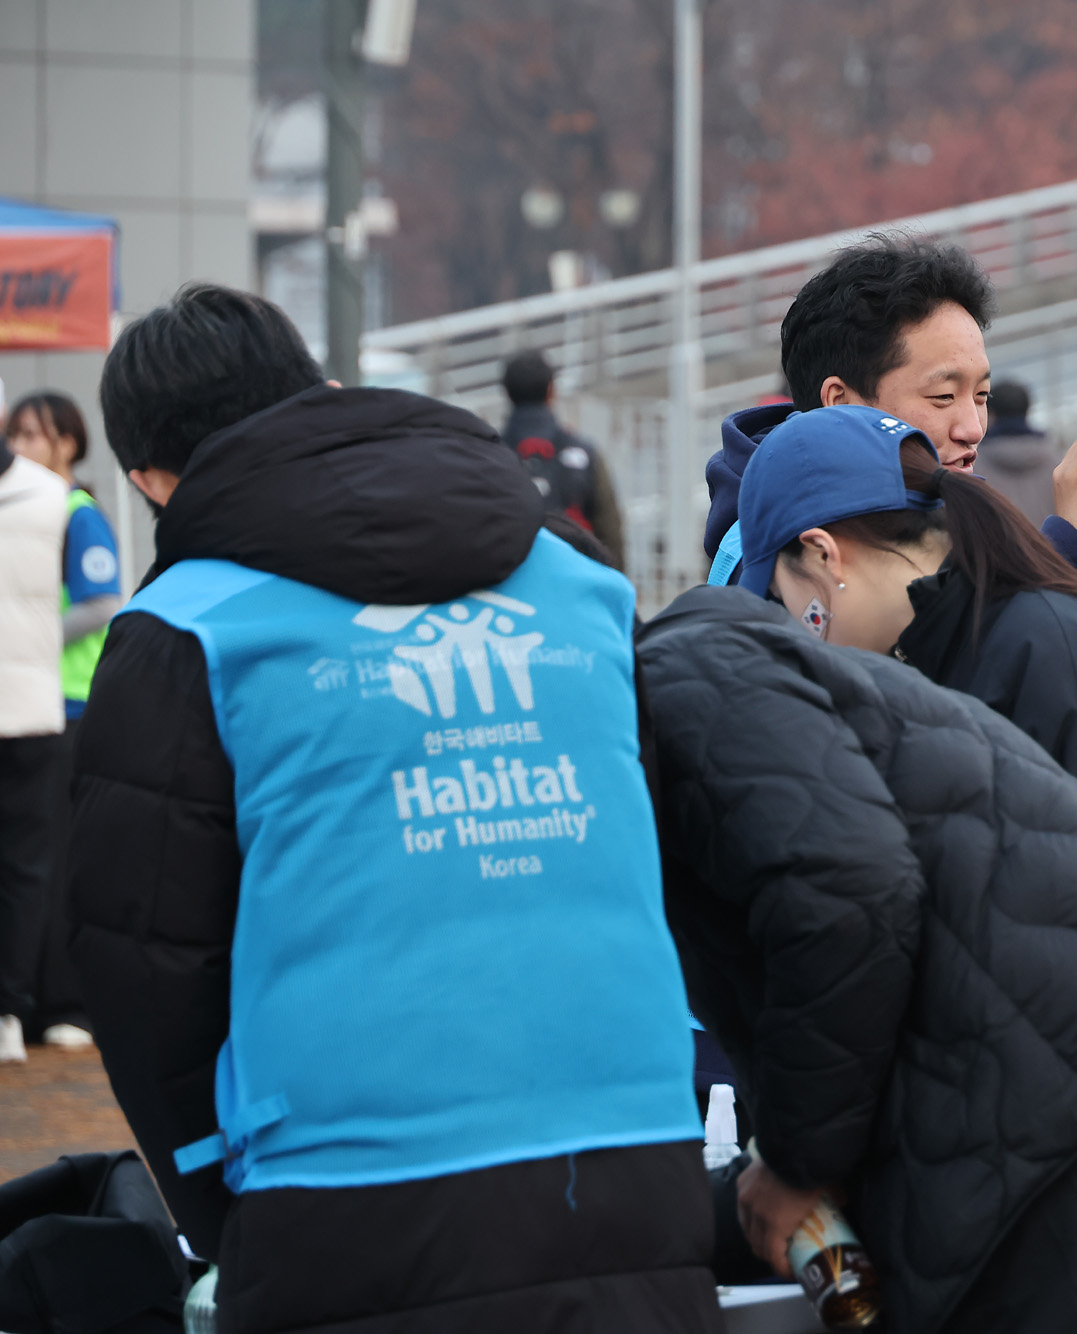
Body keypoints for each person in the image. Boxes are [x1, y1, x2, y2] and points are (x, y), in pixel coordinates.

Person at [72, 284, 722, 1333]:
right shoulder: (578, 576)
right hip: (633, 1164)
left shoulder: (183, 629)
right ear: (318, 390)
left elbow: (140, 958)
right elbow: (653, 844)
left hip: (346, 1194)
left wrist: (214, 1202)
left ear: (150, 477)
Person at [636, 584, 1077, 1333]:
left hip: (1074, 1110)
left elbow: (849, 895)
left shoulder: (679, 676)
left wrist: (794, 1162)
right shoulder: (771, 677)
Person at [735, 402, 1077, 926]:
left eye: (780, 593)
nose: (795, 623)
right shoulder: (942, 644)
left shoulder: (1040, 646)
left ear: (821, 555)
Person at [702, 234, 1077, 591]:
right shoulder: (779, 564)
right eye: (942, 396)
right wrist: (1069, 549)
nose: (973, 429)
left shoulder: (952, 515)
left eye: (982, 396)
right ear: (839, 402)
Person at [4, 391, 120, 1050]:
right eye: (15, 434)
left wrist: (29, 641)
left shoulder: (75, 512)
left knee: (54, 862)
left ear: (69, 442)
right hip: (27, 704)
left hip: (67, 703)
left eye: (34, 435)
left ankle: (67, 1003)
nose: (21, 447)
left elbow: (102, 601)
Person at [0, 429, 68, 1067]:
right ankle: (10, 1014)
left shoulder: (54, 498)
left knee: (24, 870)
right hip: (30, 705)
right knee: (24, 870)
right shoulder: (54, 496)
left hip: (31, 707)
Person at [500, 349, 627, 566]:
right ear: (551, 390)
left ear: (507, 393)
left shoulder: (491, 455)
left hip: (511, 584)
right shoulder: (584, 453)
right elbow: (610, 530)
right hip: (575, 578)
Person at [977, 381, 1059, 525]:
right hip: (1049, 546)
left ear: (991, 413)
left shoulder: (973, 466)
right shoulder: (1057, 462)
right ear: (1027, 411)